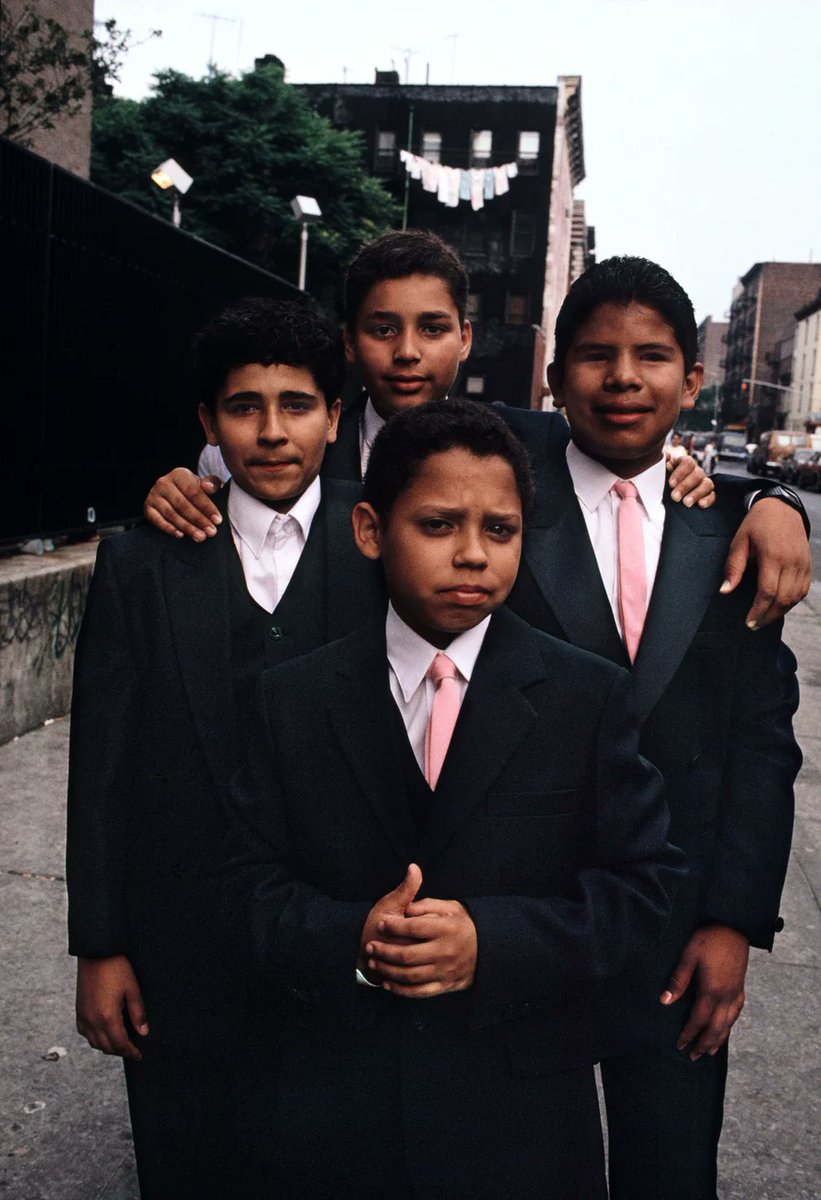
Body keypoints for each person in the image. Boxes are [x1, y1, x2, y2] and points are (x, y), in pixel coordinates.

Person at [223, 398, 685, 1199]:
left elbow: (643, 889)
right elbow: (241, 883)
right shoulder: (290, 699)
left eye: (498, 530)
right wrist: (349, 938)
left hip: (522, 1124)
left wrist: (493, 941)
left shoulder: (586, 697)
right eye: (437, 526)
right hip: (334, 1117)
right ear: (370, 530)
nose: (472, 555)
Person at [66, 298, 386, 1198]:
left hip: (340, 936)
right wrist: (100, 946)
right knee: (189, 1162)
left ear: (334, 413)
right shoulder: (143, 562)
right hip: (181, 943)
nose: (273, 431)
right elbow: (102, 768)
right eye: (245, 406)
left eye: (297, 404)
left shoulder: (388, 541)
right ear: (208, 422)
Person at [504, 256, 802, 1198]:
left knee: (668, 1171)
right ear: (554, 378)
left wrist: (731, 924)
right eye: (594, 356)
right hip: (520, 923)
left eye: (651, 356)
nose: (623, 378)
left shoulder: (729, 538)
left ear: (692, 378)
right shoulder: (497, 516)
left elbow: (760, 748)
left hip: (676, 933)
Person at [142, 230, 810, 631]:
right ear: (349, 342)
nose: (407, 352)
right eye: (382, 329)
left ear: (463, 339)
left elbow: (641, 466)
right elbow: (227, 508)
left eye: (431, 328)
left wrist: (770, 502)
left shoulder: (529, 443)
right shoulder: (299, 450)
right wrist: (180, 488)